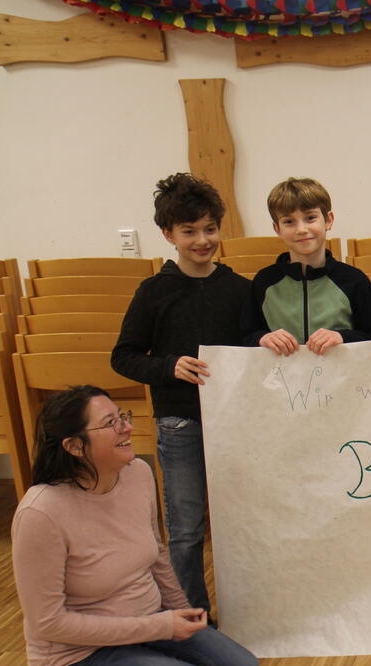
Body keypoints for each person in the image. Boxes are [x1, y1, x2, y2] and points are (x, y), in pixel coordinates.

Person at [10, 386, 258, 666]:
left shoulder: (138, 473)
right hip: (79, 657)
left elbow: (155, 553)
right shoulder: (40, 513)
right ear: (75, 446)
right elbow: (48, 624)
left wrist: (179, 611)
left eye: (122, 416)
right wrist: (161, 627)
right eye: (111, 423)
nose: (127, 427)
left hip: (145, 626)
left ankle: (146, 665)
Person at [110, 173, 249, 617]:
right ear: (168, 234)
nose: (202, 240)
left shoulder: (240, 289)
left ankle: (251, 612)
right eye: (189, 231)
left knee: (243, 525)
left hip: (235, 423)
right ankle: (192, 617)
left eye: (210, 229)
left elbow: (255, 347)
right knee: (186, 528)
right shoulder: (153, 291)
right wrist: (168, 366)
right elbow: (124, 357)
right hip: (180, 422)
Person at [245, 177, 371, 355]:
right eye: (289, 221)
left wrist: (343, 337)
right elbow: (245, 336)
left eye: (310, 218)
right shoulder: (264, 281)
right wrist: (262, 338)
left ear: (328, 220)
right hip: (281, 372)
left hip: (342, 372)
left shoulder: (354, 280)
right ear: (277, 228)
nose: (301, 229)